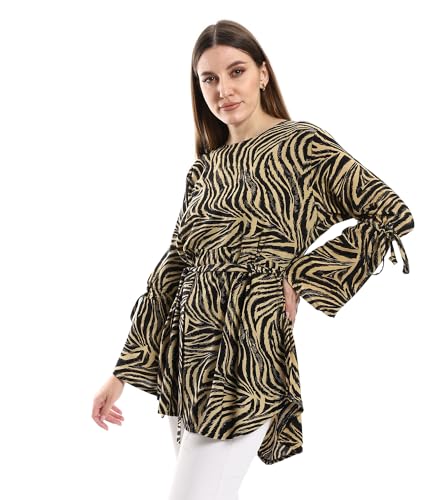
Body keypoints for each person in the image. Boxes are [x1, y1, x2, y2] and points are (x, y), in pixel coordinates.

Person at [92, 19, 415, 500]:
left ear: (263, 73)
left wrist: (302, 278)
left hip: (248, 349)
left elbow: (390, 213)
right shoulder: (205, 169)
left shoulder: (301, 144)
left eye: (236, 71)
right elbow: (172, 268)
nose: (223, 89)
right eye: (209, 78)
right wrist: (120, 374)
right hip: (188, 354)